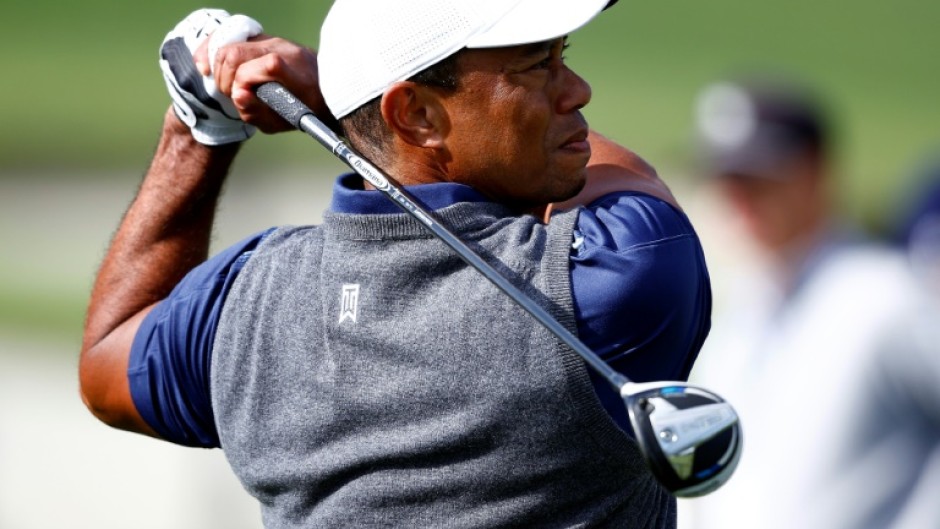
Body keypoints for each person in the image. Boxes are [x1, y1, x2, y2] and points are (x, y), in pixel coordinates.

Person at [79, 2, 713, 527]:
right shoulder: (612, 283)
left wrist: (196, 132)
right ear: (415, 114)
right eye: (534, 67)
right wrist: (332, 91)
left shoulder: (249, 300)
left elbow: (108, 358)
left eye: (562, 57)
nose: (577, 91)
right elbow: (630, 183)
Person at [679, 77, 931, 529]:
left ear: (816, 171)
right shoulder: (737, 307)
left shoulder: (886, 295)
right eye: (725, 176)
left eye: (758, 178)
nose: (738, 197)